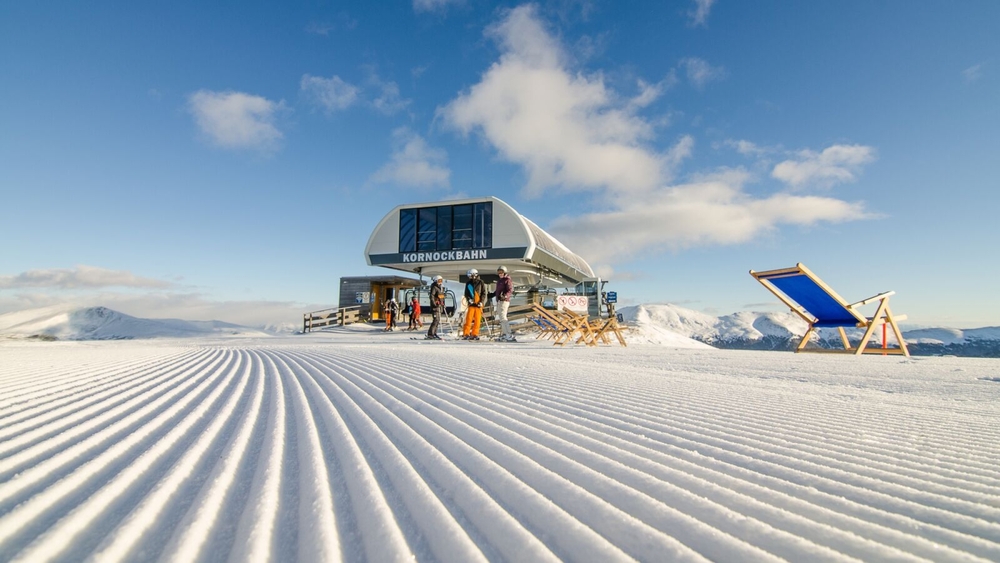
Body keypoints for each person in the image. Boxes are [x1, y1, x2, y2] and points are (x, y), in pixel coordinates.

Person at [461, 269, 486, 340]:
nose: (470, 277)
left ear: (474, 275)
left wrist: (481, 302)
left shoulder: (481, 282)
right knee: (468, 319)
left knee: (477, 320)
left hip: (478, 304)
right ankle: (466, 334)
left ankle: (475, 334)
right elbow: (466, 293)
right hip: (471, 304)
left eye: (470, 275)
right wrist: (469, 300)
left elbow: (484, 293)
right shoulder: (468, 283)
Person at [494, 265, 516, 342]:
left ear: (505, 272)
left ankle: (508, 334)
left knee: (503, 317)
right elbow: (498, 291)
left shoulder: (507, 280)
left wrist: (505, 296)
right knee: (501, 318)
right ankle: (504, 333)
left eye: (501, 272)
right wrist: (493, 294)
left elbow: (510, 290)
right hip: (499, 301)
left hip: (504, 301)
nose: (500, 273)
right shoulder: (500, 280)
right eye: (499, 272)